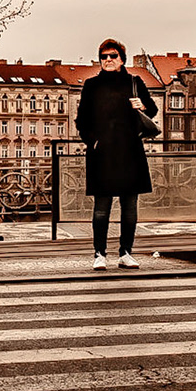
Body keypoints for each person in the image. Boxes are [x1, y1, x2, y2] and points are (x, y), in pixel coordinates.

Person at [76, 39, 158, 270]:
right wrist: (92, 142)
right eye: (104, 56)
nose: (108, 60)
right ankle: (99, 254)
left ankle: (126, 253)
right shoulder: (91, 85)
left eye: (113, 56)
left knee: (129, 206)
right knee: (102, 207)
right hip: (102, 153)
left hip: (130, 150)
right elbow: (81, 120)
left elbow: (152, 109)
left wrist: (141, 105)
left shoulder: (134, 82)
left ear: (122, 58)